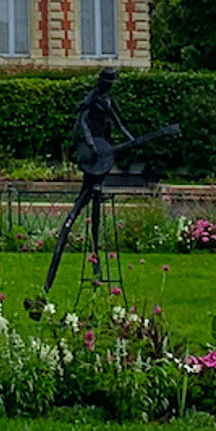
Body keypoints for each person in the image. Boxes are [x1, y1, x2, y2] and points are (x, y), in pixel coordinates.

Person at [42, 67, 178, 294]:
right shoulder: (91, 98)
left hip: (103, 152)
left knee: (95, 205)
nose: (109, 86)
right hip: (93, 151)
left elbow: (118, 123)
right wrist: (90, 142)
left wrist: (132, 140)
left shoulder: (108, 100)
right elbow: (82, 122)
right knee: (85, 201)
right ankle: (83, 265)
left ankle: (95, 264)